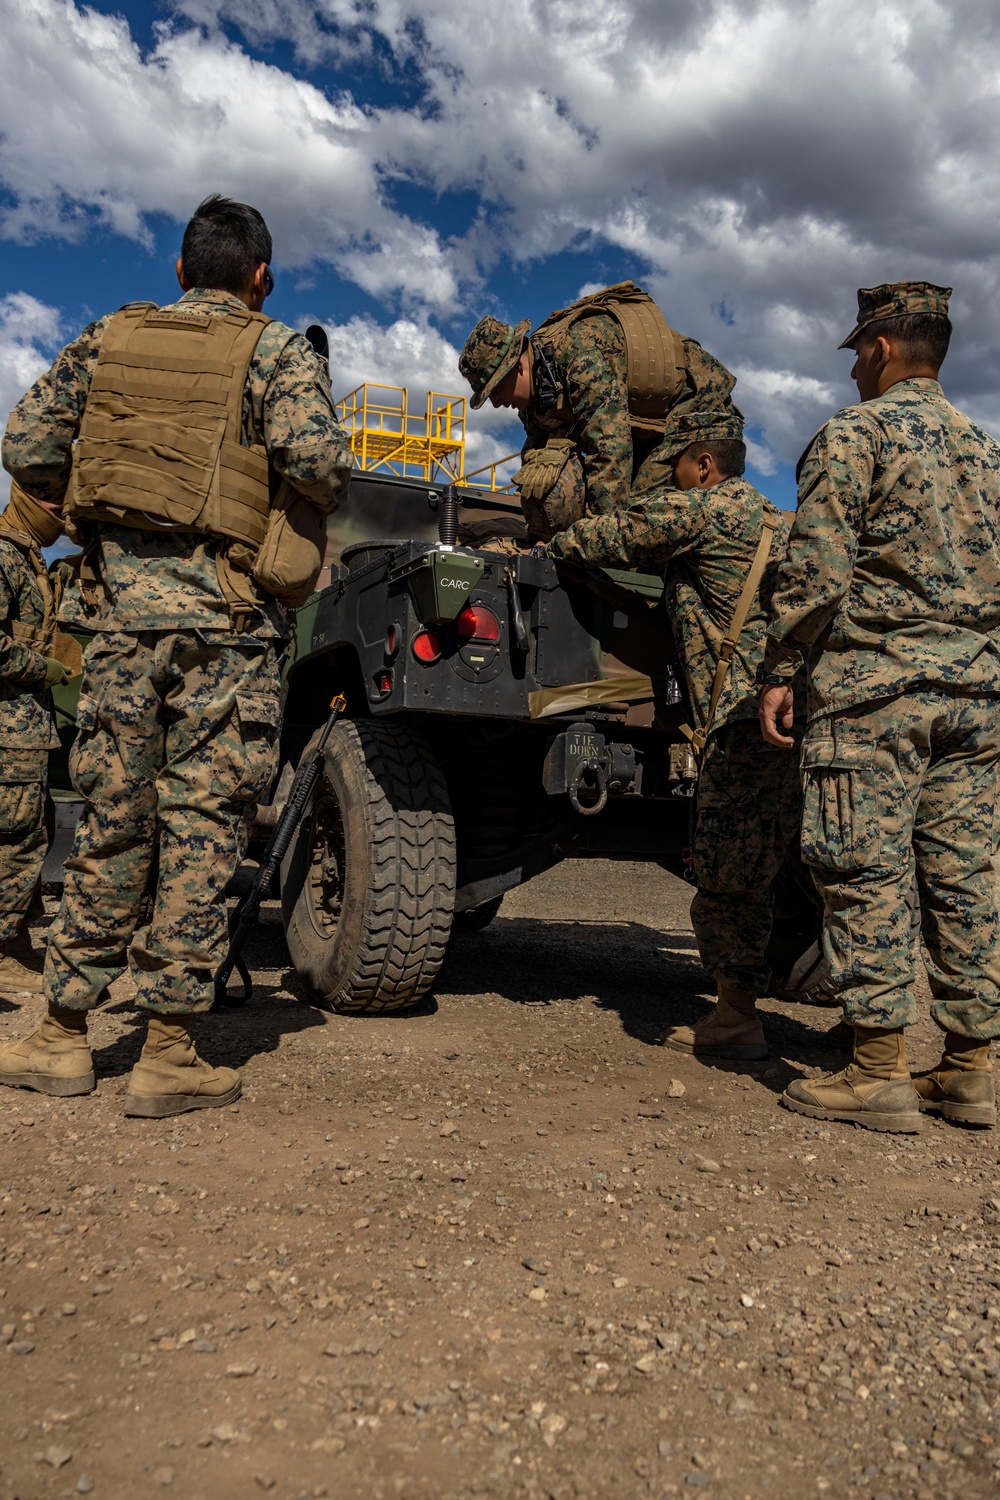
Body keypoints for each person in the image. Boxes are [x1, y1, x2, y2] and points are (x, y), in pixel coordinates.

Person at [0, 194, 353, 1115]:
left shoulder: (108, 339)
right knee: (200, 824)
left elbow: (26, 444)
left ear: (180, 269)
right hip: (226, 627)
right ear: (261, 279)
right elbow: (319, 466)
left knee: (112, 814)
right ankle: (165, 1051)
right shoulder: (273, 349)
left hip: (117, 622)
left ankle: (61, 1034)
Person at [759, 281, 1000, 1133]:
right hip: (975, 699)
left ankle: (878, 1071)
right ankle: (970, 1070)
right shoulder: (989, 451)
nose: (856, 369)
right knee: (967, 880)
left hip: (873, 695)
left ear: (881, 350)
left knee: (865, 870)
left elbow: (817, 569)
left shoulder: (855, 434)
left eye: (859, 353)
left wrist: (781, 664)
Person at [545, 407, 802, 1060]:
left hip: (741, 726)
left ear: (705, 465)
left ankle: (737, 1018)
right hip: (796, 723)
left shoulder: (710, 511)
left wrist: (555, 546)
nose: (675, 479)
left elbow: (619, 534)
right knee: (802, 868)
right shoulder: (785, 524)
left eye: (679, 466)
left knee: (728, 874)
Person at [458, 282, 737, 541]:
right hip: (641, 418)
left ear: (518, 365)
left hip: (694, 398)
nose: (495, 402)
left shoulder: (581, 358)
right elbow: (536, 465)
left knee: (640, 508)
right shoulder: (533, 401)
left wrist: (595, 542)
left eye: (496, 390)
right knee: (549, 480)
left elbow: (609, 453)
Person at [0, 481, 71, 997]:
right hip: (9, 729)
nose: (60, 512)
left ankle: (16, 936)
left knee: (30, 832)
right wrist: (42, 667)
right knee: (14, 840)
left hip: (24, 731)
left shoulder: (31, 559)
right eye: (52, 502)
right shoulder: (4, 555)